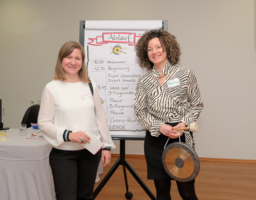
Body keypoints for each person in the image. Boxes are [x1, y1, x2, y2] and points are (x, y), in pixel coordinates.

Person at [38, 41, 115, 200]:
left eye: (77, 58)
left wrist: (106, 145)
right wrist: (68, 134)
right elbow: (43, 123)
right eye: (68, 57)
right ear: (61, 60)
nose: (73, 62)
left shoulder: (90, 84)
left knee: (86, 196)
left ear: (82, 61)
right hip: (64, 154)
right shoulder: (51, 88)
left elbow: (99, 115)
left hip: (90, 152)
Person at [134, 29, 204, 200]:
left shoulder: (185, 74)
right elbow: (140, 110)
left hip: (181, 138)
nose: (154, 52)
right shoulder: (144, 81)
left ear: (168, 48)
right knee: (162, 191)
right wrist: (160, 127)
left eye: (158, 46)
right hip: (155, 140)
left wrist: (183, 123)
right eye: (149, 49)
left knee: (187, 191)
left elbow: (197, 105)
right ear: (145, 53)